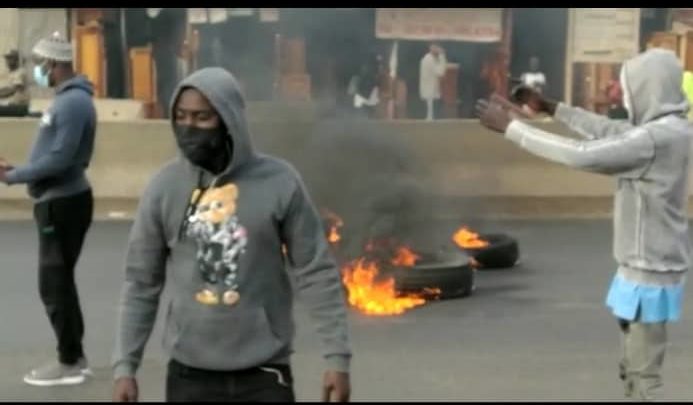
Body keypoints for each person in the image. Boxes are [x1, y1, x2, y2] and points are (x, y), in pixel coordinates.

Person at [111, 67, 352, 402]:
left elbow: (316, 271)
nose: (189, 128)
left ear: (229, 121)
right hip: (189, 375)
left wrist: (337, 358)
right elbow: (141, 283)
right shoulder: (164, 188)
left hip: (265, 374)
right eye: (180, 117)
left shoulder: (280, 182)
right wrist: (126, 366)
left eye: (201, 118)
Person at [476, 48, 692, 401]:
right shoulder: (668, 129)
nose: (624, 95)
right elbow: (608, 130)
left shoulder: (655, 139)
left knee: (644, 379)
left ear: (650, 88)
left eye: (630, 87)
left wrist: (513, 129)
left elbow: (582, 154)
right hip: (642, 269)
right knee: (633, 369)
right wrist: (551, 107)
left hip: (649, 272)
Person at [0, 32, 97, 386]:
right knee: (60, 283)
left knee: (54, 285)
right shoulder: (69, 100)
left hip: (62, 204)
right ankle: (75, 357)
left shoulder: (71, 104)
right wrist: (17, 171)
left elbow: (61, 158)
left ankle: (70, 361)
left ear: (54, 65)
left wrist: (14, 176)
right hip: (57, 201)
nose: (38, 71)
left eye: (41, 65)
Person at [419, 43, 447, 121]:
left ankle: (430, 117)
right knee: (430, 106)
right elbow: (440, 72)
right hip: (430, 87)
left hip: (429, 87)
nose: (438, 49)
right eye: (436, 47)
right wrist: (442, 56)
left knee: (430, 107)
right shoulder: (429, 59)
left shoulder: (428, 58)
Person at [0, 49, 30, 117]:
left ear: (16, 60)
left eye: (10, 58)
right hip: (12, 106)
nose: (7, 61)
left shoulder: (20, 72)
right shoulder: (10, 73)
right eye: (7, 58)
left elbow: (13, 90)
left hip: (20, 107)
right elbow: (6, 89)